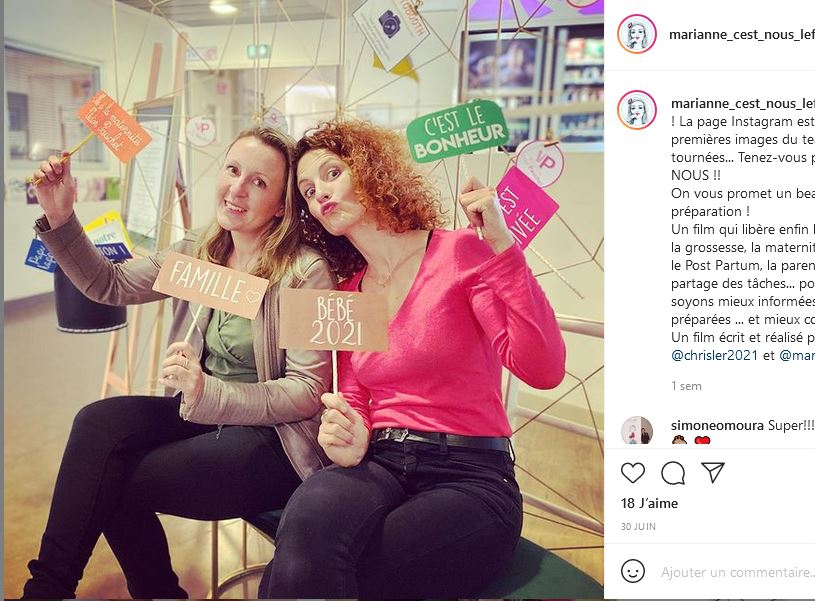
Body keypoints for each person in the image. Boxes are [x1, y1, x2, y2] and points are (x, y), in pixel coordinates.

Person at [22, 126, 335, 599]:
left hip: (275, 438)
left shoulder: (305, 271)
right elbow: (109, 284)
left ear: (281, 205)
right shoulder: (200, 251)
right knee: (96, 422)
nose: (237, 189)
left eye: (259, 182)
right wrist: (61, 216)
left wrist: (209, 392)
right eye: (233, 170)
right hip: (200, 414)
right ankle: (47, 589)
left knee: (109, 482)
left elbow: (307, 392)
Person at [257, 119, 566, 598]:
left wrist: (503, 248)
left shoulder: (459, 252)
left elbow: (542, 370)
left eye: (333, 173)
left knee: (303, 574)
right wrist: (352, 431)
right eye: (309, 191)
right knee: (303, 532)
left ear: (370, 169)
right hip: (380, 461)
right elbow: (354, 391)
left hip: (469, 474)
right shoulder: (347, 293)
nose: (320, 195)